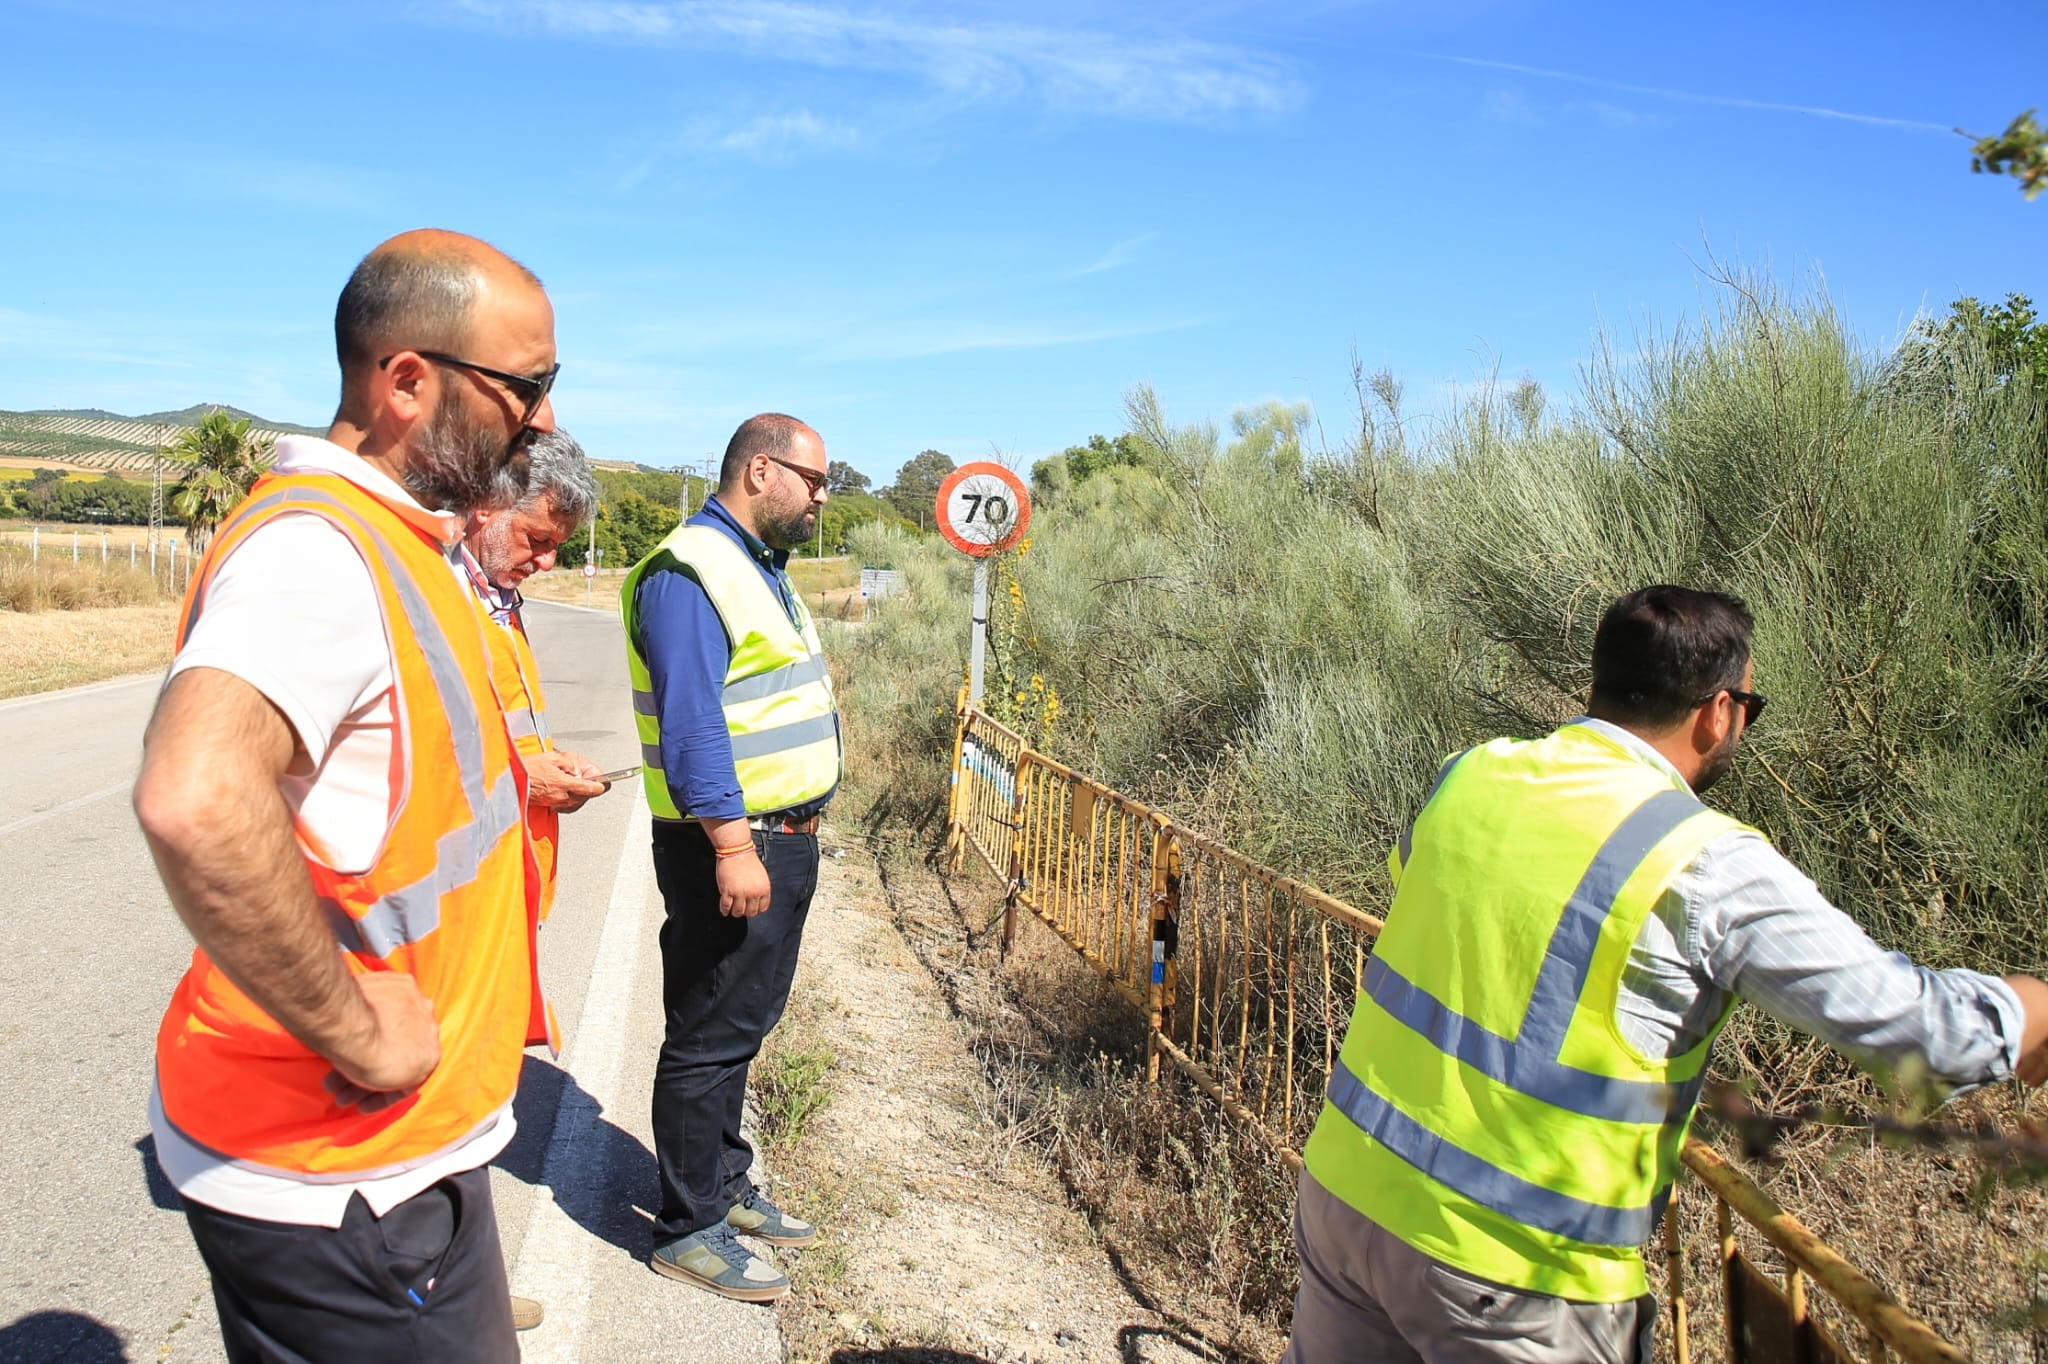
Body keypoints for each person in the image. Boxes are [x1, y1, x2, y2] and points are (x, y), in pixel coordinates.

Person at [1285, 585, 2048, 1364]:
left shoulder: (1470, 776)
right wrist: (2031, 1010)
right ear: (1719, 712)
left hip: (1346, 1196)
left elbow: (1428, 890)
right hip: (1516, 1275)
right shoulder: (1706, 862)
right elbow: (1925, 1037)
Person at [135, 229, 561, 1361]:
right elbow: (194, 794)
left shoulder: (398, 542)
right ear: (408, 381)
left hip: (389, 1159)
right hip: (339, 1171)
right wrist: (359, 1030)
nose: (546, 419)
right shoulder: (318, 553)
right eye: (526, 385)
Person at [619, 413, 842, 1302]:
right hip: (735, 843)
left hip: (777, 840)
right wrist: (730, 845)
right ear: (760, 470)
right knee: (709, 1032)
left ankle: (725, 1182)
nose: (822, 498)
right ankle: (688, 1226)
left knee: (739, 1027)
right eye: (812, 480)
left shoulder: (755, 565)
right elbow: (693, 723)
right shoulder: (688, 572)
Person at [460, 425, 611, 938]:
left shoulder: (499, 597)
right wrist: (519, 779)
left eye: (557, 546)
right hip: (459, 908)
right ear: (486, 504)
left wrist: (550, 764)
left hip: (510, 894)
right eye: (538, 539)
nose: (547, 561)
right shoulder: (429, 596)